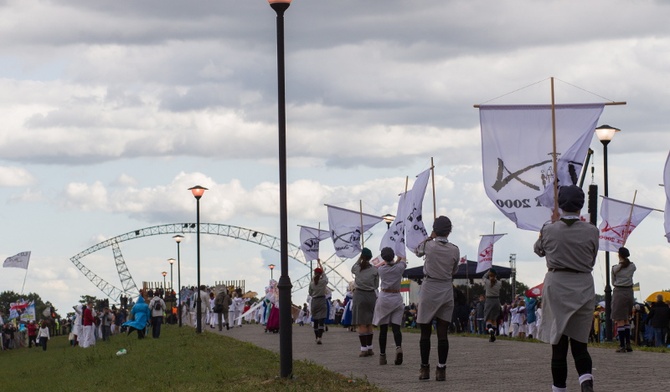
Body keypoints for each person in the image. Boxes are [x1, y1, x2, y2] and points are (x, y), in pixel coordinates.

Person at [534, 185, 598, 392]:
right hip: (583, 284)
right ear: (581, 206)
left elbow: (538, 250)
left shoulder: (549, 229)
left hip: (557, 283)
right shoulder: (592, 230)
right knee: (580, 342)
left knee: (558, 343)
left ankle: (559, 389)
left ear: (560, 205)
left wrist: (547, 227)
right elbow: (592, 257)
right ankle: (585, 381)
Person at [415, 215, 460, 382]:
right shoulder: (455, 249)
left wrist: (429, 237)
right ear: (449, 231)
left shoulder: (429, 246)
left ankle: (424, 368)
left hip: (429, 287)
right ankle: (441, 369)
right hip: (446, 289)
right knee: (443, 332)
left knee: (425, 331)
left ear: (434, 229)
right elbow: (454, 270)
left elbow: (417, 251)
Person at [372, 247, 406, 365]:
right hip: (396, 298)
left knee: (383, 330)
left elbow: (391, 265)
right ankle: (398, 347)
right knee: (396, 328)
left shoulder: (381, 270)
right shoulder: (400, 268)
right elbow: (400, 261)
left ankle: (382, 355)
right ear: (393, 256)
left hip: (385, 298)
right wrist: (400, 254)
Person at [351, 247, 379, 357]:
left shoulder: (357, 268)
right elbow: (376, 285)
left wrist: (359, 259)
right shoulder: (375, 270)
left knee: (361, 322)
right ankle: (370, 347)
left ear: (362, 257)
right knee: (369, 322)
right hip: (371, 296)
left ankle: (363, 349)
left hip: (359, 295)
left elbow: (352, 268)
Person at [611, 246, 636, 352]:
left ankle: (622, 345)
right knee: (626, 319)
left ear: (619, 255)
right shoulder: (632, 266)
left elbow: (613, 282)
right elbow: (629, 266)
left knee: (619, 319)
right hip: (629, 292)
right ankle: (628, 344)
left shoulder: (615, 268)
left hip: (619, 292)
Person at [308, 260, 328, 344]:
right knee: (321, 320)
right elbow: (325, 276)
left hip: (314, 301)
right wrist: (320, 264)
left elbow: (310, 293)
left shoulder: (312, 283)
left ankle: (316, 337)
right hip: (322, 300)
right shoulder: (323, 282)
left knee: (315, 320)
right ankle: (320, 337)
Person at [483, 268, 502, 342]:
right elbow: (498, 280)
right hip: (497, 300)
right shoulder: (499, 283)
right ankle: (493, 332)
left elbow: (483, 277)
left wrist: (488, 271)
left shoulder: (487, 282)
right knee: (494, 319)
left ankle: (490, 330)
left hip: (489, 300)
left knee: (488, 318)